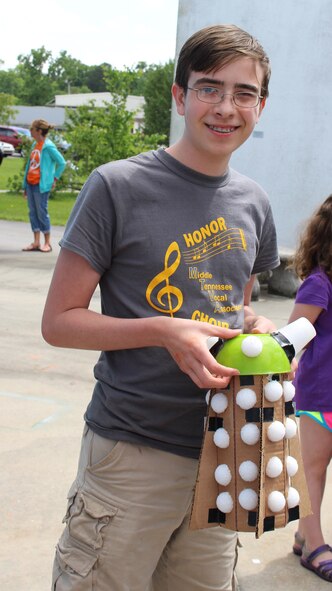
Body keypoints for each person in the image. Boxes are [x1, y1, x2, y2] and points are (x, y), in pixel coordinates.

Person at [42, 24, 280, 591]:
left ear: (261, 106)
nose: (226, 108)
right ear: (179, 96)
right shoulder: (116, 186)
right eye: (208, 88)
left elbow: (232, 307)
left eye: (244, 94)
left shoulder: (254, 201)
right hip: (131, 452)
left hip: (227, 448)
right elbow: (59, 322)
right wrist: (164, 332)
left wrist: (256, 327)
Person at [289, 195, 332, 583]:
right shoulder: (319, 283)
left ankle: (305, 532)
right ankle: (316, 544)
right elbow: (294, 336)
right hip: (321, 393)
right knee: (313, 471)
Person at [22, 119, 66, 253]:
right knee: (33, 212)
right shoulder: (34, 145)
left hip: (41, 185)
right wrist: (25, 185)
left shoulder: (48, 146)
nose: (30, 132)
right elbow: (30, 166)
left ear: (39, 131)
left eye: (32, 129)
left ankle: (47, 243)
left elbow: (62, 163)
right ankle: (36, 242)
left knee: (42, 212)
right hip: (30, 183)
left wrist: (54, 178)